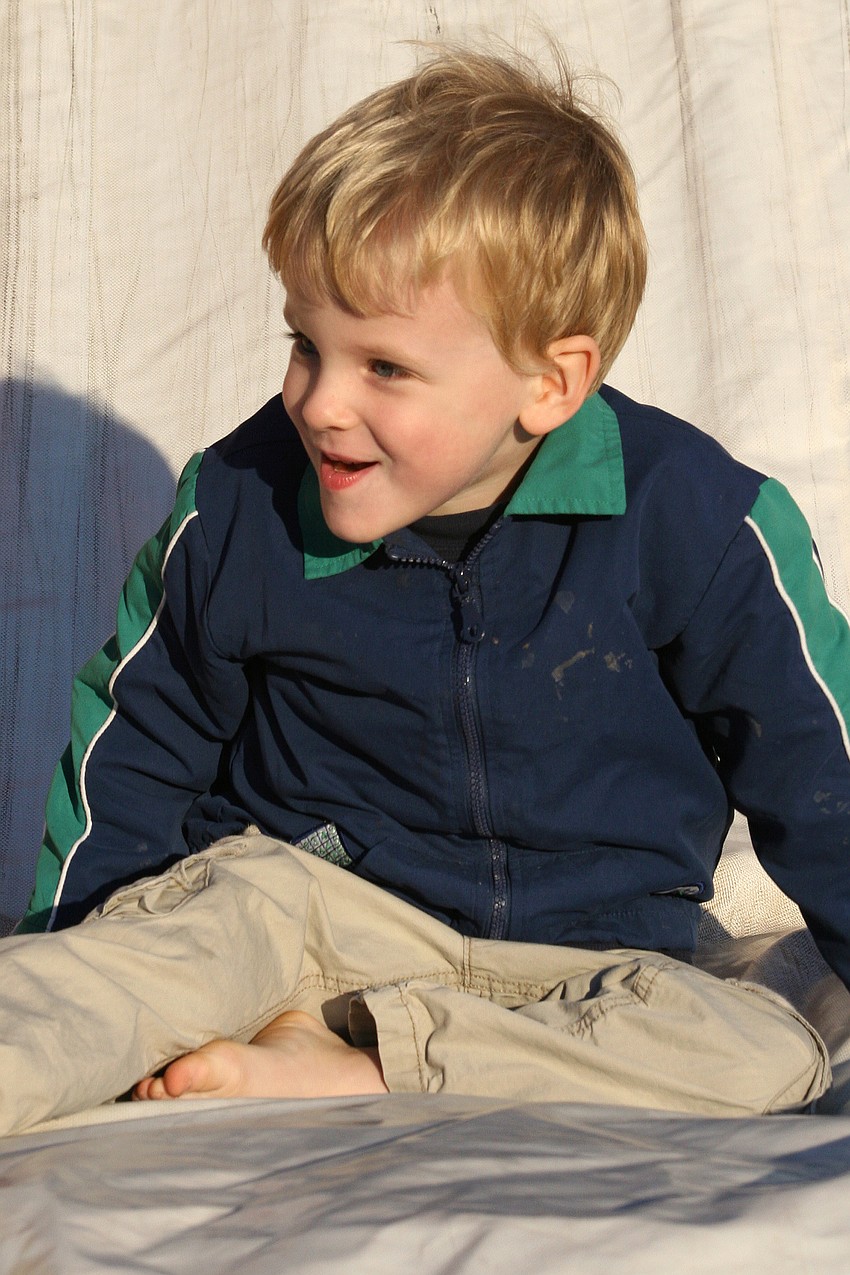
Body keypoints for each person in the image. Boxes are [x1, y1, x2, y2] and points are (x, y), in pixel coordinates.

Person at [2, 46, 846, 1135]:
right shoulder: (242, 505)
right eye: (306, 346)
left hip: (587, 964)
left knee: (771, 1049)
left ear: (551, 381)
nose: (320, 404)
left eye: (384, 367)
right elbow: (136, 741)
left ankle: (369, 1068)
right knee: (172, 940)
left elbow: (820, 774)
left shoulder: (697, 520)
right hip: (312, 929)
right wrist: (79, 951)